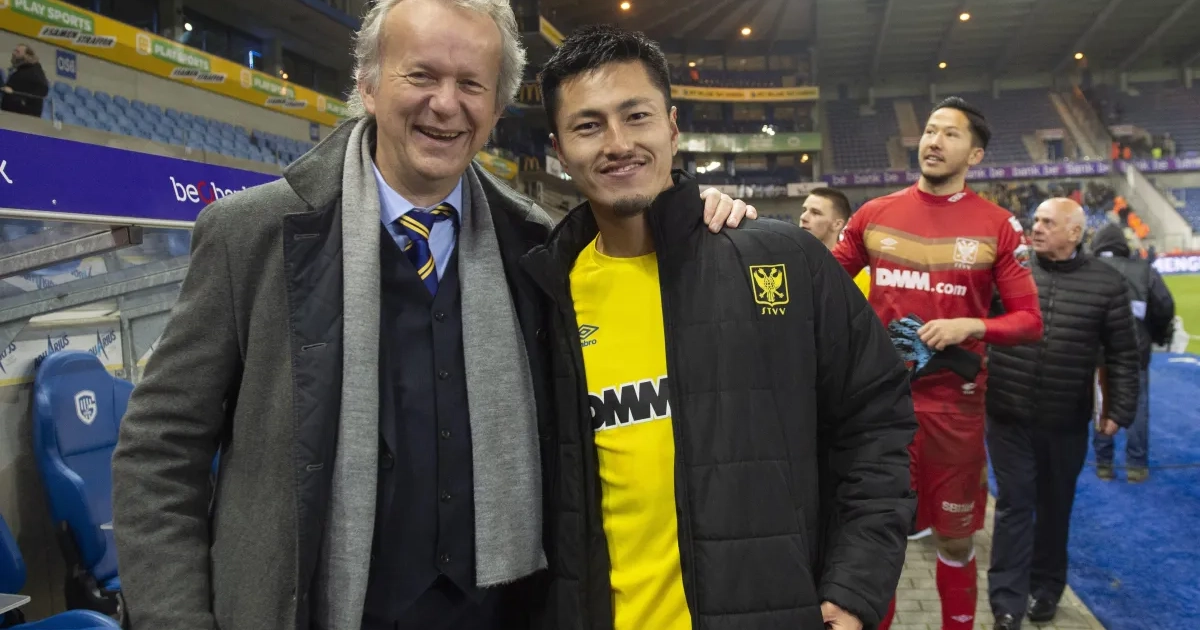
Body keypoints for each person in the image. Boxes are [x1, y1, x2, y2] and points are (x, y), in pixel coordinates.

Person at [109, 1, 756, 629]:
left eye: (471, 84)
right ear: (368, 86)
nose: (446, 104)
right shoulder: (251, 233)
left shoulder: (534, 243)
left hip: (500, 611)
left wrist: (696, 215)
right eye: (421, 75)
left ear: (496, 109)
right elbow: (160, 449)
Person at [523, 25, 917, 630]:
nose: (618, 143)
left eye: (636, 115)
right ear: (558, 146)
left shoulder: (783, 260)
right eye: (588, 125)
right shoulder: (543, 297)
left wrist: (855, 583)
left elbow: (876, 419)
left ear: (672, 127)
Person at [833, 96, 1045, 630]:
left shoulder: (997, 225)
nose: (934, 141)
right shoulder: (874, 214)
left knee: (955, 537)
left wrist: (972, 325)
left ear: (974, 155)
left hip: (955, 410)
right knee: (879, 534)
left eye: (950, 134)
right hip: (881, 408)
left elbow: (1029, 321)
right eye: (930, 130)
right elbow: (824, 283)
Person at [985, 199, 1140, 630]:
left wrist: (1119, 409)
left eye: (1048, 222)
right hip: (1008, 413)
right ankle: (1007, 602)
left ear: (1075, 233)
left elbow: (1124, 354)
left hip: (1065, 420)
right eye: (1035, 220)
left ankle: (1046, 588)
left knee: (1055, 508)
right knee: (1014, 505)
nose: (1036, 227)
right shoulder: (1009, 272)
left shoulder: (1107, 283)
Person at [1089, 223, 1175, 482]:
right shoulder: (1144, 270)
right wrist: (1157, 335)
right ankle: (1136, 466)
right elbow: (1164, 307)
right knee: (1137, 406)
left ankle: (1104, 464)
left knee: (1102, 404)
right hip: (1136, 349)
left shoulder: (1089, 269)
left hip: (1098, 351)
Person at [801, 187, 870, 296]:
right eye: (804, 210)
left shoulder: (858, 277)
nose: (803, 217)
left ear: (837, 224)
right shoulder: (790, 266)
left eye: (815, 213)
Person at [1, 44, 49, 118]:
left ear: (27, 56)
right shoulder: (20, 70)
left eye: (17, 52)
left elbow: (43, 89)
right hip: (10, 113)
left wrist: (15, 95)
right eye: (14, 51)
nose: (13, 53)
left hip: (23, 115)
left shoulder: (35, 70)